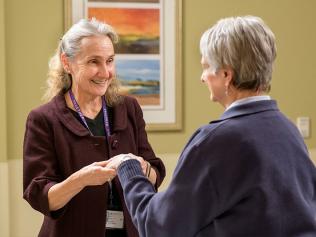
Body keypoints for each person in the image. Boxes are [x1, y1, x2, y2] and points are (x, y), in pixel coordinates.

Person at [107, 16, 316, 237]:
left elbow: (158, 227)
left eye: (206, 67)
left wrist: (128, 168)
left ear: (226, 75)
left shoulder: (217, 140)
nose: (202, 77)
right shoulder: (288, 130)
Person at [23, 18, 165, 237]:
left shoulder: (129, 109)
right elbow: (40, 197)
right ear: (67, 63)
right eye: (93, 62)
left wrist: (141, 167)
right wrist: (81, 180)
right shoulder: (43, 119)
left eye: (109, 61)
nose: (105, 72)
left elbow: (156, 173)